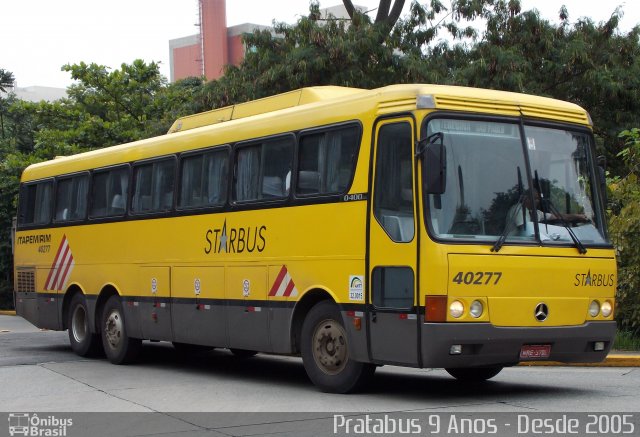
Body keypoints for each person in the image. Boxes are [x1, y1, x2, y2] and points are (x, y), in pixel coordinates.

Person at [506, 189, 587, 234]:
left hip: (529, 244)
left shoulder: (537, 212)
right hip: (513, 243)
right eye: (535, 198)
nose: (538, 201)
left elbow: (557, 216)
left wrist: (577, 216)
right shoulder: (518, 209)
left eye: (538, 199)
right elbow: (525, 230)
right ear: (526, 198)